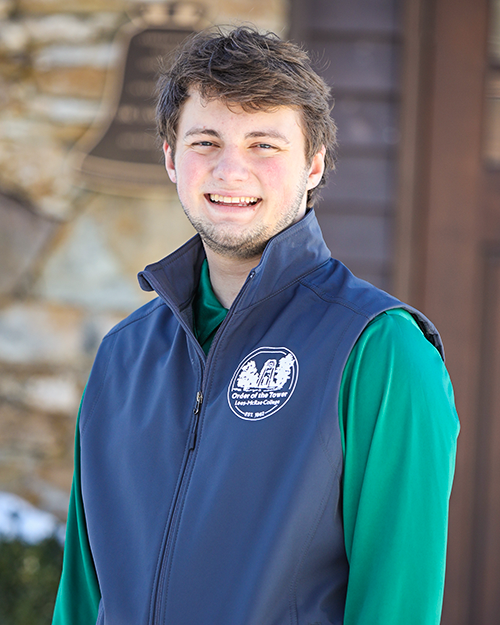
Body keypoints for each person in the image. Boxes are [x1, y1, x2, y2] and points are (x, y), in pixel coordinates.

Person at [52, 26, 459, 625]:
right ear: (171, 158)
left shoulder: (381, 349)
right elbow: (82, 597)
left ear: (314, 165)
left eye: (263, 144)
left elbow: (397, 604)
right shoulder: (122, 356)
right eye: (206, 142)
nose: (230, 170)